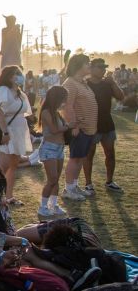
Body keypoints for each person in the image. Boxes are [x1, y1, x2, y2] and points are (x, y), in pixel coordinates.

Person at [0, 166, 98, 291]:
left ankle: (71, 277)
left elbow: (10, 230)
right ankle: (70, 277)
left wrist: (18, 243)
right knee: (29, 256)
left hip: (2, 248)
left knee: (29, 256)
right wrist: (20, 241)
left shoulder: (1, 204)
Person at [0, 65, 32, 205]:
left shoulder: (20, 93)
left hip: (19, 130)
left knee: (13, 165)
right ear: (9, 76)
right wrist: (5, 132)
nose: (19, 76)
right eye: (16, 74)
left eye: (20, 73)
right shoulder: (2, 90)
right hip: (7, 130)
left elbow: (25, 111)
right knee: (3, 165)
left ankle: (9, 196)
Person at [83, 58, 125, 194]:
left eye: (104, 67)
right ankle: (88, 184)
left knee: (110, 154)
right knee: (89, 155)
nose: (103, 70)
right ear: (92, 68)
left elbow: (121, 97)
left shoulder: (108, 84)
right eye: (100, 67)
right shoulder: (85, 84)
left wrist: (113, 82)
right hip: (91, 124)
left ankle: (109, 181)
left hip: (107, 123)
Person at [61, 54, 98, 201]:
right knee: (75, 158)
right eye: (87, 63)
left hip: (89, 128)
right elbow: (67, 106)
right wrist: (74, 125)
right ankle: (68, 189)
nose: (89, 66)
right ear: (78, 66)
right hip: (79, 128)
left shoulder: (83, 83)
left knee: (81, 158)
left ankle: (74, 186)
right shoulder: (70, 83)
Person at [37, 86, 69, 216]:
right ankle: (43, 206)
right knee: (52, 179)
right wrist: (69, 126)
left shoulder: (56, 112)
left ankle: (54, 205)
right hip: (49, 148)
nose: (65, 101)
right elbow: (55, 130)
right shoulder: (46, 112)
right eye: (63, 98)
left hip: (59, 148)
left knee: (56, 179)